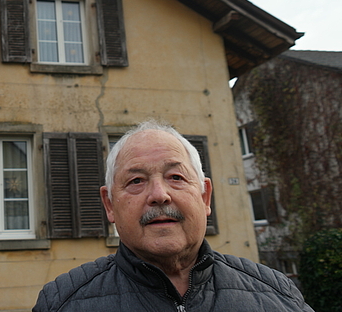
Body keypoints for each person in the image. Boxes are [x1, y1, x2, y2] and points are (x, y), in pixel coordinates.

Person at [33, 120, 313, 311]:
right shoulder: (61, 303)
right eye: (136, 181)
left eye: (176, 177)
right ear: (109, 205)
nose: (159, 194)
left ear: (205, 196)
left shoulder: (278, 295)